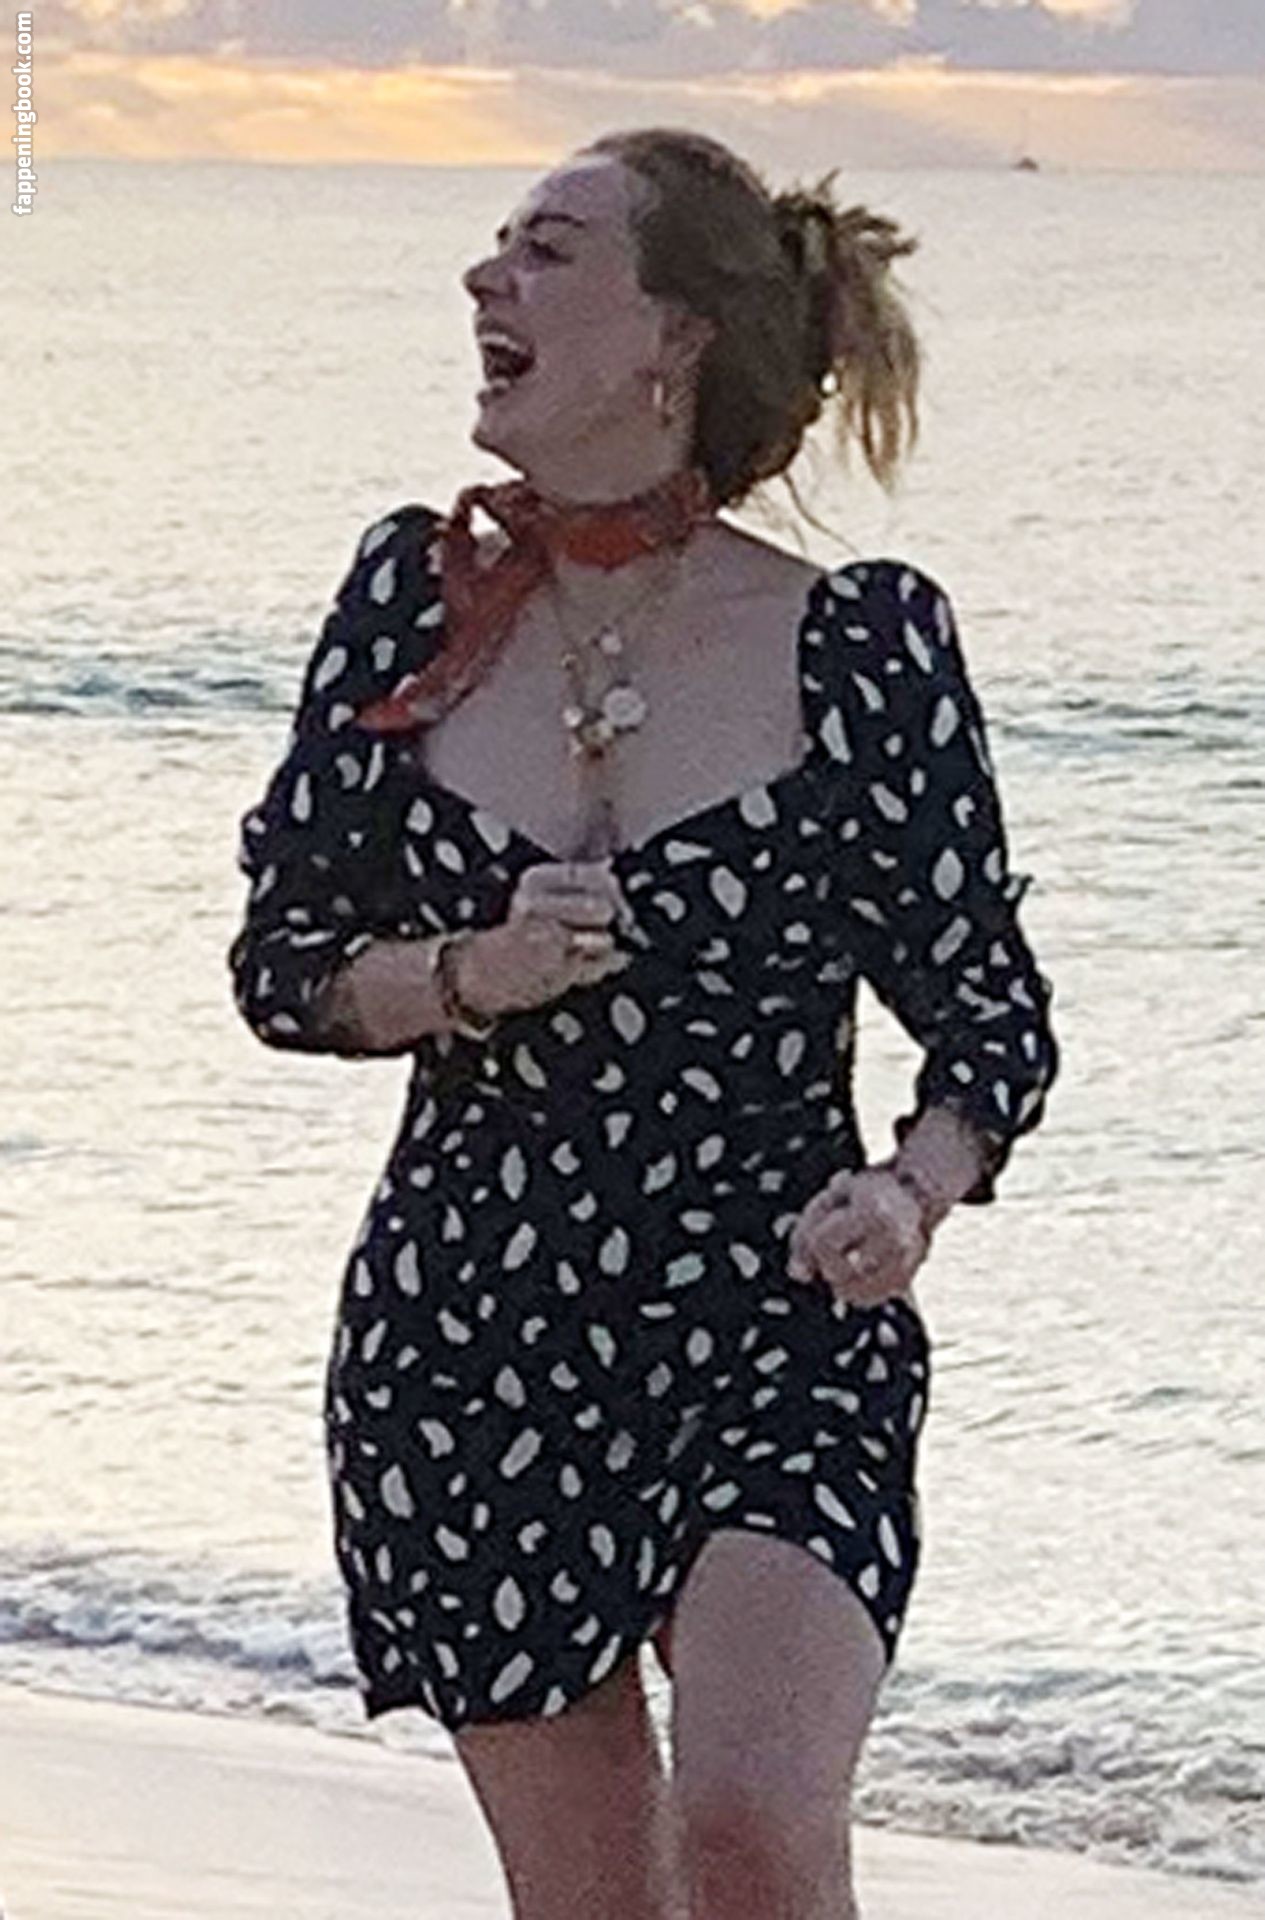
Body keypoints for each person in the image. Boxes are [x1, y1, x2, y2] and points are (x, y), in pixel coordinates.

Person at [228, 128, 1060, 1920]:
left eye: (547, 250)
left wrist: (908, 1193)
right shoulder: (408, 602)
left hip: (772, 1310)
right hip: (468, 1338)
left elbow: (988, 1017)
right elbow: (285, 965)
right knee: (595, 1902)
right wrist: (471, 970)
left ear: (674, 336)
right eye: (497, 245)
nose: (486, 279)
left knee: (754, 1828)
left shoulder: (858, 646)